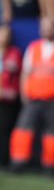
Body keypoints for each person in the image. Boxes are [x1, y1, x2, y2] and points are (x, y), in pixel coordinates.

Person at [9, 17, 54, 175]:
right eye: (43, 27)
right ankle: (18, 163)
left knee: (53, 133)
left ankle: (51, 167)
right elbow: (25, 73)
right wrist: (24, 94)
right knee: (23, 129)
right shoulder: (34, 47)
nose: (46, 30)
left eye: (49, 27)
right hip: (33, 97)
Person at [0, 24, 23, 167]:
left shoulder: (14, 53)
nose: (4, 36)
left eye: (7, 34)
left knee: (4, 130)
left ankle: (3, 162)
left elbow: (19, 76)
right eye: (2, 33)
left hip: (7, 100)